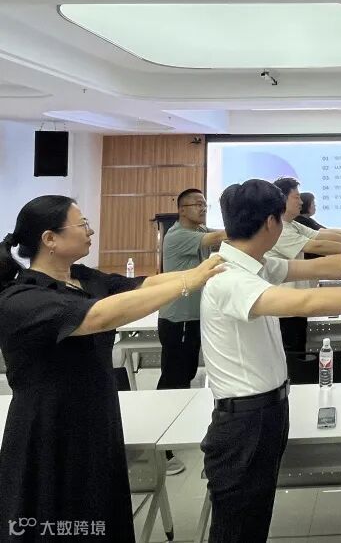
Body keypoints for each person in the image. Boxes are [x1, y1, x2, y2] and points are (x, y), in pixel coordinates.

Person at [199, 179, 341, 543]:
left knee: (253, 517)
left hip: (264, 410)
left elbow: (320, 268)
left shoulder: (254, 264)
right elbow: (306, 302)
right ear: (271, 222)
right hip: (244, 420)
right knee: (238, 526)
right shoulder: (230, 278)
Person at [0, 195, 223, 543]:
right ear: (50, 239)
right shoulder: (22, 299)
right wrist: (188, 283)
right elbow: (100, 316)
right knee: (53, 519)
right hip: (49, 427)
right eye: (82, 224)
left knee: (100, 511)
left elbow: (142, 285)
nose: (90, 231)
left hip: (97, 417)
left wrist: (206, 271)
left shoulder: (82, 278)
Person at [158, 187, 226, 475]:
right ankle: (161, 449)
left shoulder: (199, 230)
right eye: (197, 204)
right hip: (179, 320)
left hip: (193, 318)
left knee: (184, 376)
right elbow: (218, 237)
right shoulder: (177, 235)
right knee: (173, 378)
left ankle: (173, 432)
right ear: (181, 209)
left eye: (204, 204)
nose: (203, 208)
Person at [269, 177, 341, 351]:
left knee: (297, 349)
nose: (301, 202)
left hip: (295, 303)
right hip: (283, 307)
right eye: (296, 197)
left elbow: (321, 234)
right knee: (291, 352)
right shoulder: (280, 229)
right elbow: (316, 246)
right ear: (282, 199)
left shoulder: (292, 224)